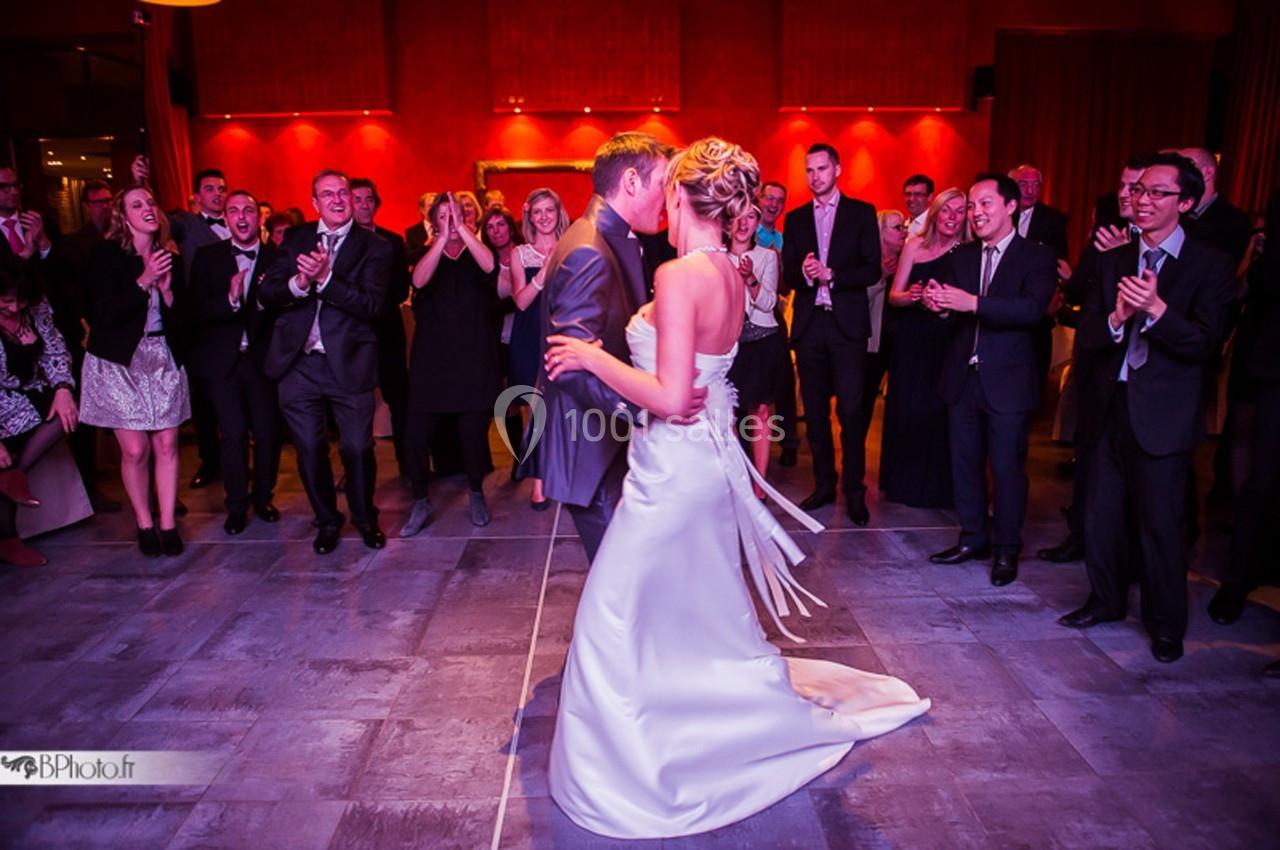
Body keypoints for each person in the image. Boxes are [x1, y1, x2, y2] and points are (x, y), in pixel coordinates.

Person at [542, 137, 929, 839]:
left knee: (614, 612)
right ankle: (694, 715)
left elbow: (668, 397)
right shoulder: (727, 267)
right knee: (692, 604)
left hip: (676, 468)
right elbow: (697, 385)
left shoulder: (679, 274)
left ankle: (636, 765)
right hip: (700, 463)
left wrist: (593, 356)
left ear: (675, 194)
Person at [1058, 153, 1234, 663]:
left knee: (1161, 524)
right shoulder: (1114, 258)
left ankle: (1165, 623)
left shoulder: (1210, 265)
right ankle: (1105, 600)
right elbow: (1087, 333)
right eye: (1138, 192)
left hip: (1164, 415)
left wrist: (1157, 311)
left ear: (1186, 201)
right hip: (1110, 404)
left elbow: (1207, 343)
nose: (1143, 200)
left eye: (1157, 193)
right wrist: (1116, 316)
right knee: (1101, 513)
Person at [536, 132, 675, 562]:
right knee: (620, 582)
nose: (668, 198)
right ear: (631, 182)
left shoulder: (606, 238)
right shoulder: (589, 251)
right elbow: (570, 367)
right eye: (663, 184)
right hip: (590, 450)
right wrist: (645, 412)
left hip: (605, 442)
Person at [923, 174, 1057, 586]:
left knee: (1006, 467)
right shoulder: (963, 256)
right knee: (964, 463)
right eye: (972, 206)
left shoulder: (1036, 256)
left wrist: (972, 302)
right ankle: (972, 537)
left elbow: (1032, 310)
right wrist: (941, 306)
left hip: (1009, 381)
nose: (975, 213)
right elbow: (955, 313)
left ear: (1010, 206)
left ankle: (1006, 549)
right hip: (963, 375)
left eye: (985, 204)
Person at [260, 169, 391, 555]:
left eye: (343, 193)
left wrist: (326, 278)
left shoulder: (374, 247)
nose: (336, 200)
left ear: (352, 199)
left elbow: (370, 305)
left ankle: (365, 518)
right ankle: (328, 520)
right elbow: (269, 291)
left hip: (348, 363)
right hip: (298, 364)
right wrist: (299, 284)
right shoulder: (297, 238)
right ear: (314, 202)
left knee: (356, 448)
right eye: (327, 194)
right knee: (309, 447)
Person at [1039, 154, 1152, 563]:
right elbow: (1078, 292)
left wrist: (1130, 257)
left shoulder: (1180, 246)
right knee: (1091, 455)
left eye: (1135, 187)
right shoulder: (1108, 235)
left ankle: (1133, 552)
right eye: (1123, 186)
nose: (1126, 194)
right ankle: (1081, 537)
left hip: (1149, 379)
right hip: (1098, 361)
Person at [80, 184, 191, 557]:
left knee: (166, 443)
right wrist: (143, 282)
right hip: (119, 361)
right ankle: (144, 523)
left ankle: (167, 525)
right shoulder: (107, 255)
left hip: (162, 357)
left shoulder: (170, 256)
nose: (146, 208)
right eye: (136, 204)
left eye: (150, 202)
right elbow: (103, 316)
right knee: (135, 449)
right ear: (122, 216)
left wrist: (171, 294)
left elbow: (187, 322)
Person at [781, 143, 882, 525]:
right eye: (809, 170)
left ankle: (854, 492)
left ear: (837, 169)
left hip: (847, 326)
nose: (815, 176)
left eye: (821, 169)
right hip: (811, 325)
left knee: (852, 412)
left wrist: (834, 275)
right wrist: (805, 274)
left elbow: (872, 269)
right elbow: (789, 274)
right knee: (816, 413)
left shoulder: (860, 213)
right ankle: (824, 486)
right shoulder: (796, 219)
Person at [400, 193, 500, 534]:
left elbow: (491, 267)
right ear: (432, 221)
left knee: (471, 433)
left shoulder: (477, 253)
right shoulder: (422, 254)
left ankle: (475, 492)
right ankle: (420, 500)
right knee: (416, 434)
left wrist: (464, 231)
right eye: (443, 215)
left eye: (457, 214)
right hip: (432, 358)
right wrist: (441, 237)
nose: (452, 221)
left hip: (472, 354)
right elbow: (418, 281)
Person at [188, 190, 281, 535]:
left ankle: (263, 498)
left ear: (260, 217)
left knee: (268, 434)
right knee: (234, 435)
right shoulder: (207, 257)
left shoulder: (277, 258)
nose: (241, 217)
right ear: (225, 219)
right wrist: (229, 300)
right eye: (233, 211)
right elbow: (195, 310)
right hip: (222, 362)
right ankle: (237, 505)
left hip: (261, 361)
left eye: (248, 210)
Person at [132, 156, 227, 491]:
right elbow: (152, 218)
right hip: (198, 324)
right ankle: (210, 461)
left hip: (233, 325)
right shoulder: (187, 224)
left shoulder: (238, 221)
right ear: (196, 196)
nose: (217, 194)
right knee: (201, 399)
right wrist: (143, 183)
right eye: (210, 189)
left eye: (222, 189)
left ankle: (237, 465)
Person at [880, 189, 968, 508]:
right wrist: (915, 295)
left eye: (959, 212)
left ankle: (937, 489)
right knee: (908, 408)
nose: (952, 217)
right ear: (936, 214)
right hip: (911, 338)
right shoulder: (915, 245)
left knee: (938, 412)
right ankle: (903, 484)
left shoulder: (969, 252)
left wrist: (943, 303)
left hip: (947, 340)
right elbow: (894, 296)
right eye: (947, 211)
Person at [0, 260, 79, 567]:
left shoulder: (36, 308)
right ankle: (9, 541)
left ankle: (14, 476)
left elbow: (56, 350)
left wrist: (62, 388)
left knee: (69, 413)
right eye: (6, 300)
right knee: (2, 463)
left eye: (20, 300)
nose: (14, 307)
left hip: (31, 394)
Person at [49, 179, 119, 512]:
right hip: (89, 336)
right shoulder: (75, 244)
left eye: (108, 200)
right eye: (97, 202)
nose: (103, 207)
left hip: (126, 337)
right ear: (86, 206)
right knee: (89, 417)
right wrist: (83, 326)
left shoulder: (128, 241)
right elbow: (70, 291)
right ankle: (90, 488)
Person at [508, 188, 570, 510]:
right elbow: (519, 302)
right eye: (538, 211)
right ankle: (539, 482)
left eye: (550, 210)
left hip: (563, 333)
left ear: (559, 212)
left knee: (565, 410)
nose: (544, 217)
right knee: (537, 411)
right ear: (529, 216)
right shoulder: (520, 254)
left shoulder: (572, 247)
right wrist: (543, 275)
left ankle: (564, 475)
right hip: (530, 333)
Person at [351, 177, 412, 478]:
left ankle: (407, 462)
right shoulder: (338, 242)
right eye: (358, 199)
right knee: (353, 402)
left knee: (398, 397)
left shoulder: (392, 241)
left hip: (386, 329)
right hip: (349, 334)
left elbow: (401, 288)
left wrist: (371, 301)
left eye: (369, 200)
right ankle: (356, 469)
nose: (364, 205)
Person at [726, 204, 784, 499]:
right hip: (730, 344)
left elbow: (769, 302)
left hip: (763, 341)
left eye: (750, 217)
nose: (743, 222)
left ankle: (760, 483)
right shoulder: (717, 257)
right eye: (738, 216)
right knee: (730, 413)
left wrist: (750, 279)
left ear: (758, 223)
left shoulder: (767, 257)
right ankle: (738, 478)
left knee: (760, 410)